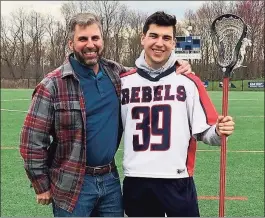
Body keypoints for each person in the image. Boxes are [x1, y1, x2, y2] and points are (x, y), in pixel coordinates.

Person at [19, 12, 192, 217]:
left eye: (95, 38)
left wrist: (175, 65)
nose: (90, 44)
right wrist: (41, 185)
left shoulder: (116, 74)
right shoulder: (52, 85)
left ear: (102, 40)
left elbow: (149, 72)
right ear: (70, 43)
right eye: (83, 39)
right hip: (73, 182)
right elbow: (31, 141)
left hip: (110, 179)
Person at [120, 11, 235, 217]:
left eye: (166, 38)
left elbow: (206, 133)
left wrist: (218, 131)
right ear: (142, 38)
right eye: (154, 36)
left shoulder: (188, 82)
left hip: (177, 179)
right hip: (136, 180)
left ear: (174, 43)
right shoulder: (122, 83)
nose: (159, 43)